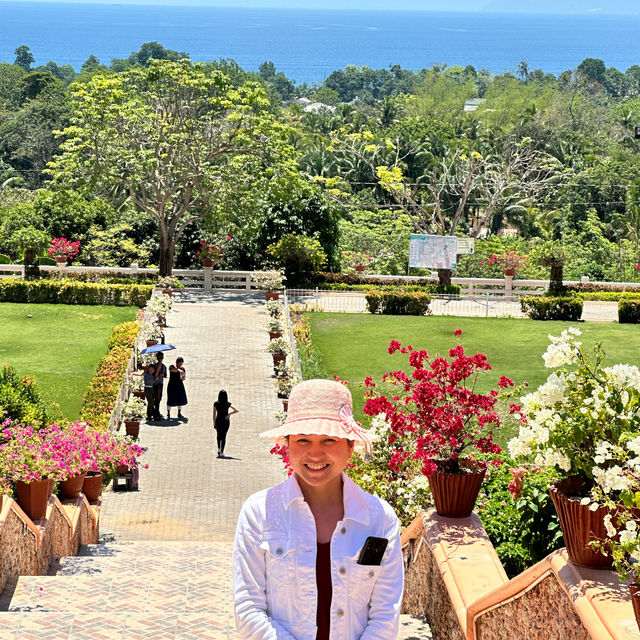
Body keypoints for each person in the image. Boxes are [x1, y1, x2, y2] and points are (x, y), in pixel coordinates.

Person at [233, 379, 404, 640]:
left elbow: (385, 615)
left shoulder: (379, 519)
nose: (315, 454)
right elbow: (249, 609)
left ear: (350, 448)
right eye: (303, 440)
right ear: (287, 445)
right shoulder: (260, 513)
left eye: (328, 440)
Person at [213, 389, 238, 458]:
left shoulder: (216, 404)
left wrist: (214, 424)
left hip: (218, 420)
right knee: (224, 436)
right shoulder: (228, 404)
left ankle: (218, 449)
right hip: (225, 421)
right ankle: (222, 451)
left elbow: (214, 415)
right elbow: (236, 410)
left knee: (218, 435)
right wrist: (229, 414)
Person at [152, 352, 167, 421]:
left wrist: (163, 375)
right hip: (155, 384)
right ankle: (156, 413)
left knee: (159, 398)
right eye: (159, 358)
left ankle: (156, 411)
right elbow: (155, 375)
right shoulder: (154, 366)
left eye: (161, 358)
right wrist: (158, 368)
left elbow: (165, 375)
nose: (160, 359)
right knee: (156, 399)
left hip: (160, 384)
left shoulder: (164, 366)